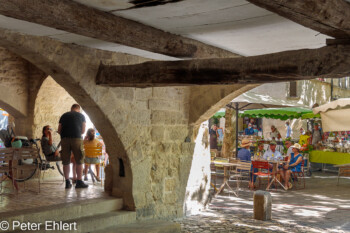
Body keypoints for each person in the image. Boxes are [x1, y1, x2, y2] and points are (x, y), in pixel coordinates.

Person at [58, 104, 88, 189]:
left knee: (66, 161)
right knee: (79, 160)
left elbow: (59, 130)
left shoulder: (64, 115)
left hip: (64, 139)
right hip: (76, 139)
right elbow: (83, 131)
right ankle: (79, 182)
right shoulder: (81, 115)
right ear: (78, 109)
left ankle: (67, 182)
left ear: (71, 109)